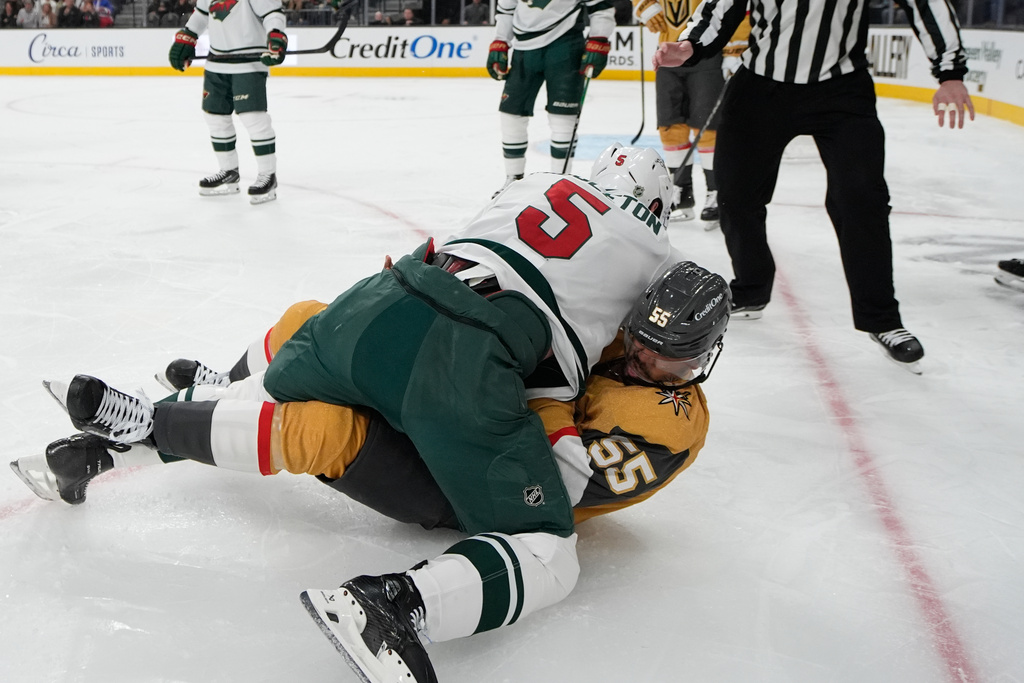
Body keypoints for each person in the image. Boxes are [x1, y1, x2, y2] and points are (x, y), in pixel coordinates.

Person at [18, 146, 678, 683]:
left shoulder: (536, 181)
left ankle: (144, 426)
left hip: (382, 301)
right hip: (466, 358)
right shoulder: (655, 250)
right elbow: (669, 325)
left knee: (295, 372)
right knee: (548, 550)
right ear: (656, 208)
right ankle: (397, 608)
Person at [653, 0, 975, 373]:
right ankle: (752, 288)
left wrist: (950, 72)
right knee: (737, 193)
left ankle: (881, 317)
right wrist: (690, 44)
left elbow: (927, 4)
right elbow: (722, 6)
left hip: (841, 90)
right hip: (761, 84)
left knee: (861, 198)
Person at [632, 0, 748, 223]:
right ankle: (681, 193)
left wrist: (736, 48)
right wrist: (643, 5)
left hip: (707, 52)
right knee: (670, 126)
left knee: (707, 128)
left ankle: (716, 192)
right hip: (667, 49)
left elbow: (734, 5)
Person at [486, 0, 616, 191]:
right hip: (523, 50)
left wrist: (599, 38)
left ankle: (560, 184)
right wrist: (500, 40)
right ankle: (513, 179)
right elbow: (506, 9)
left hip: (565, 45)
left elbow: (601, 7)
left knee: (563, 118)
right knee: (511, 114)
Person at [168, 0, 287, 204]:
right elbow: (201, 15)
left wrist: (276, 36)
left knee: (253, 118)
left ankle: (268, 175)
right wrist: (187, 37)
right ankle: (228, 172)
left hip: (249, 62)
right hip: (217, 62)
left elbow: (273, 14)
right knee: (215, 116)